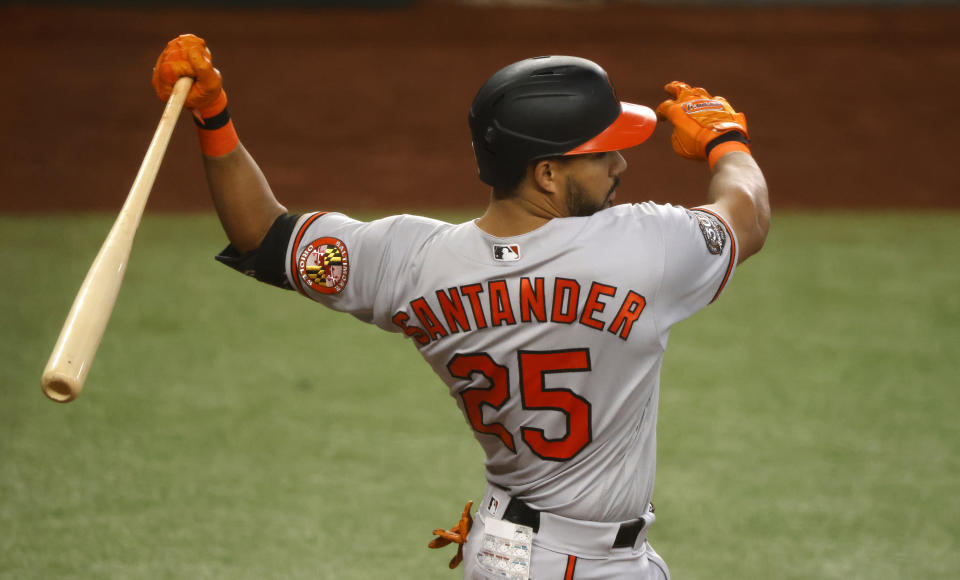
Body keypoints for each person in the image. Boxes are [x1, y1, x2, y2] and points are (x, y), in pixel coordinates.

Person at [153, 34, 769, 580]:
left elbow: (264, 237)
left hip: (502, 552)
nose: (621, 163)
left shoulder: (411, 263)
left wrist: (213, 116)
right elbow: (748, 212)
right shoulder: (642, 249)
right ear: (548, 174)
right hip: (592, 565)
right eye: (601, 152)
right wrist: (725, 140)